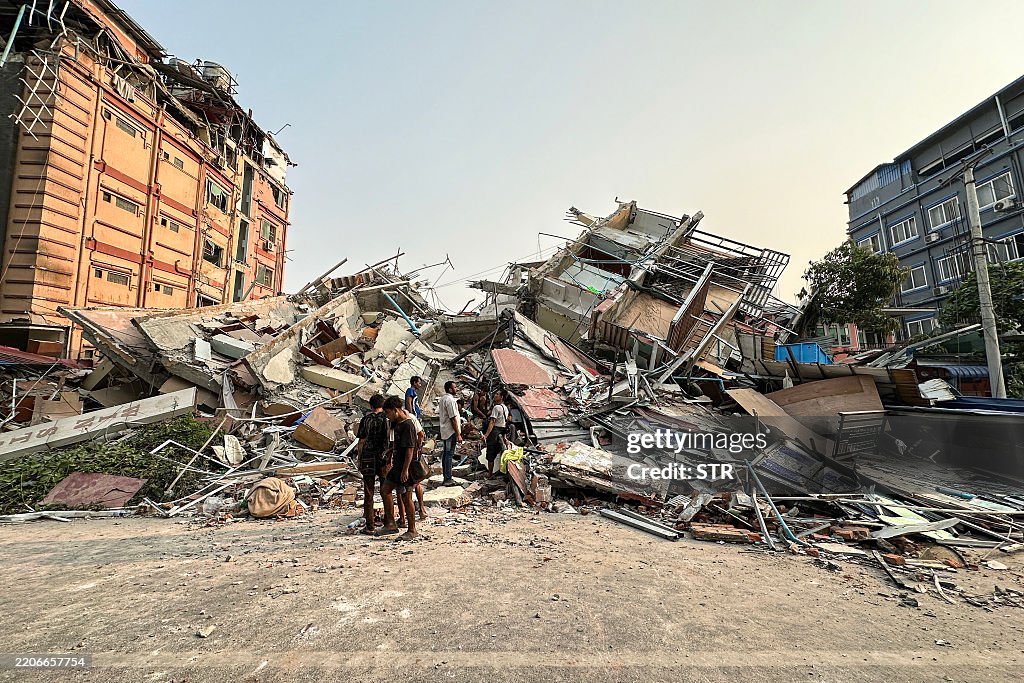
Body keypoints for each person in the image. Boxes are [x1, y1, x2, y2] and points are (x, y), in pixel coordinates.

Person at [381, 395, 423, 540]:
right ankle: (391, 524)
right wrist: (390, 451)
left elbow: (410, 449)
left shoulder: (408, 424)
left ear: (395, 410)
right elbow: (397, 443)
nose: (387, 416)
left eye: (388, 413)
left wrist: (405, 470)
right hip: (398, 464)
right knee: (385, 490)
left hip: (406, 466)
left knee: (406, 496)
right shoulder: (397, 423)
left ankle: (412, 530)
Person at [355, 394, 389, 534]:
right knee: (385, 490)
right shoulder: (386, 419)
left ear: (370, 406)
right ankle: (388, 522)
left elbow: (361, 441)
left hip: (368, 458)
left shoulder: (366, 419)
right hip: (383, 458)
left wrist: (359, 458)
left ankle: (370, 526)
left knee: (368, 492)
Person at [397, 412, 428, 523]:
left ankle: (403, 518)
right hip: (414, 455)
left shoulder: (401, 421)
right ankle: (422, 509)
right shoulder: (412, 417)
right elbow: (421, 435)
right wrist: (418, 448)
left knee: (403, 488)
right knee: (416, 482)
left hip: (405, 456)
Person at [437, 380, 462, 486]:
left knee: (446, 454)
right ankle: (448, 478)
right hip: (450, 431)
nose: (456, 389)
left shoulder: (443, 399)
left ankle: (446, 477)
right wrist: (458, 434)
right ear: (450, 389)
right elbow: (453, 418)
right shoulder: (450, 400)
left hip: (445, 430)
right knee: (448, 454)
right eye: (455, 387)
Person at [482, 388, 510, 476]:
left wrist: (486, 435)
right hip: (502, 431)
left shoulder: (496, 407)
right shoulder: (505, 408)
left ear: (501, 397)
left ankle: (490, 474)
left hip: (495, 431)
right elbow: (505, 422)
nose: (495, 395)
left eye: (497, 394)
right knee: (499, 451)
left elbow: (492, 422)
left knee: (490, 454)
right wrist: (505, 437)